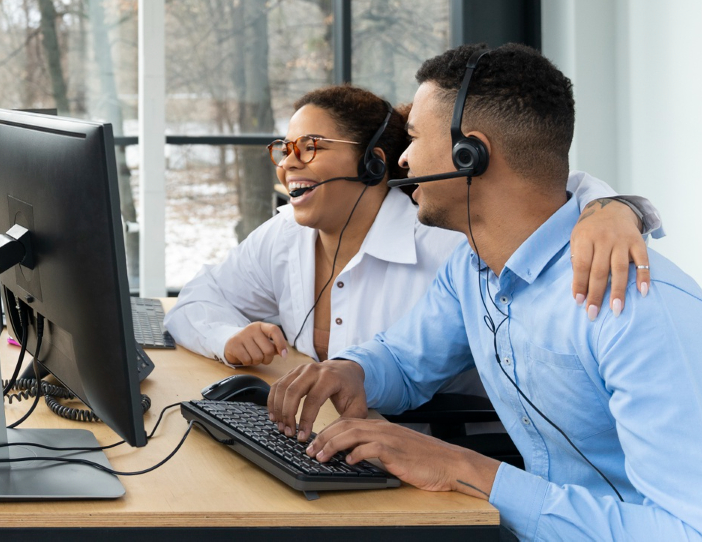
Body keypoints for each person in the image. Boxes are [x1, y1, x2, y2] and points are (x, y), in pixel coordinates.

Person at [267, 44, 702, 540]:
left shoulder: (636, 310)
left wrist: (464, 468)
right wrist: (350, 372)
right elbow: (407, 360)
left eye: (412, 139)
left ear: (468, 154)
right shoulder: (472, 270)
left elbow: (686, 529)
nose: (404, 160)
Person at [165, 84, 660, 369]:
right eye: (285, 149)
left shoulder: (444, 239)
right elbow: (195, 299)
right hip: (327, 447)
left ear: (375, 163)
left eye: (310, 146)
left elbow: (538, 187)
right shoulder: (286, 235)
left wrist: (614, 207)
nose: (288, 164)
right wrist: (229, 338)